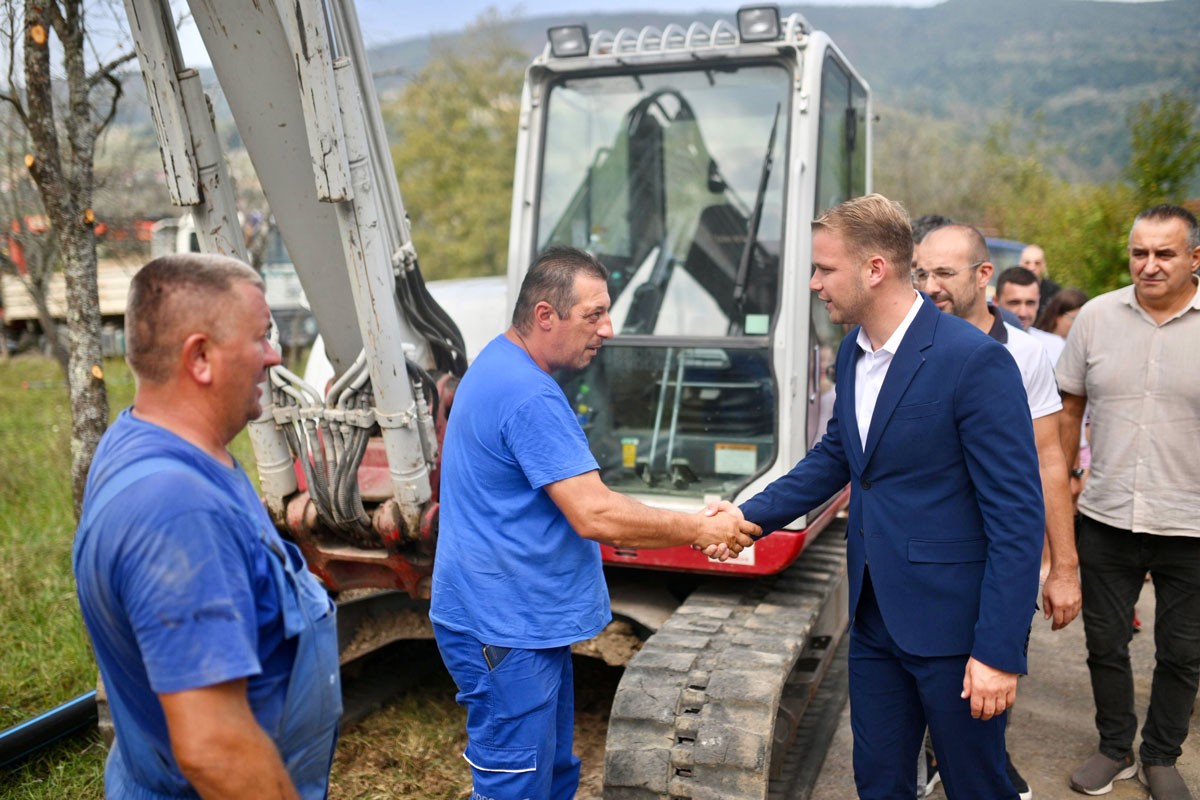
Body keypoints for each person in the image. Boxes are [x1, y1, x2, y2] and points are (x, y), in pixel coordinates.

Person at [739, 194, 1043, 799]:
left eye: (825, 269)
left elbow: (1016, 517)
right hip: (875, 619)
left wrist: (999, 653)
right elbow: (838, 456)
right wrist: (745, 519)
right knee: (877, 782)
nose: (814, 283)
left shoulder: (974, 361)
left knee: (976, 787)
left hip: (957, 634)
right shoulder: (853, 353)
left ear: (875, 269)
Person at [429, 245, 759, 800]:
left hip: (513, 619)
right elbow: (595, 511)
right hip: (506, 629)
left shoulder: (500, 362)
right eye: (593, 315)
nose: (607, 328)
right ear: (544, 316)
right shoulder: (528, 394)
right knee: (515, 786)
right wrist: (701, 529)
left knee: (551, 774)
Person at [73, 254, 340, 799]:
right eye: (262, 337)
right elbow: (215, 748)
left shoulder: (149, 438)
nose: (274, 357)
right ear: (200, 357)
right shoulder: (177, 511)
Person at [914, 223, 1084, 799]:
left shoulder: (1026, 354)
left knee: (991, 672)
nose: (929, 285)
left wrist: (1062, 567)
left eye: (943, 273)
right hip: (924, 553)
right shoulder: (904, 344)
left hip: (999, 554)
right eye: (921, 273)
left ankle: (983, 762)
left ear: (983, 275)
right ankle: (944, 754)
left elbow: (1049, 461)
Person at [1057, 204, 1200, 800]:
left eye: (1164, 253)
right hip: (1108, 514)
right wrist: (1065, 480)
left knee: (1184, 651)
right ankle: (1115, 746)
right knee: (1104, 644)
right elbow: (1069, 408)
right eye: (1139, 252)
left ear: (1195, 258)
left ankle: (1161, 755)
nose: (1149, 265)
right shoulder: (1095, 317)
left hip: (1191, 522)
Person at [1019, 244, 1061, 313]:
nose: (1032, 268)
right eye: (1027, 263)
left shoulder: (1055, 293)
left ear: (1044, 265)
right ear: (1020, 264)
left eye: (1037, 263)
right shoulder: (1012, 291)